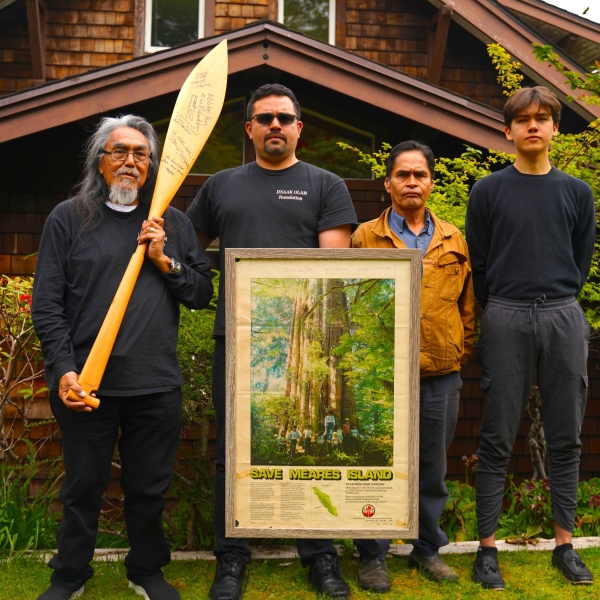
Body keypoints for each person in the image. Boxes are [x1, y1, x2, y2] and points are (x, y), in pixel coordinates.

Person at [186, 83, 384, 599]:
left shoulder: (325, 185)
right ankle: (231, 558)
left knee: (312, 448)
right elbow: (188, 248)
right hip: (236, 337)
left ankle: (320, 557)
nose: (275, 125)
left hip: (304, 341)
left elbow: (328, 273)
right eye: (264, 118)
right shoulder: (221, 186)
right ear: (249, 128)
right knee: (234, 452)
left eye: (284, 118)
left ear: (300, 128)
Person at [31, 115, 214, 600]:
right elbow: (46, 303)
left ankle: (146, 572)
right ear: (100, 160)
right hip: (86, 384)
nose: (130, 161)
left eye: (140, 154)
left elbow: (200, 293)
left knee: (148, 490)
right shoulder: (69, 218)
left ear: (152, 165)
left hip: (154, 383)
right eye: (120, 152)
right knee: (82, 489)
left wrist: (164, 260)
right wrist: (64, 370)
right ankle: (69, 576)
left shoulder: (173, 223)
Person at [466, 86, 596, 589]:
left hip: (564, 315)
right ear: (508, 130)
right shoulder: (488, 191)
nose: (533, 126)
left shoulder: (576, 192)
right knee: (497, 435)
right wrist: (504, 306)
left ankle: (565, 547)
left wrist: (558, 300)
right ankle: (486, 550)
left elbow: (579, 260)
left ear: (555, 128)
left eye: (543, 118)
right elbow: (480, 261)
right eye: (523, 120)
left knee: (567, 436)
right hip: (506, 315)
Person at [352, 140, 475, 591]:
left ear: (431, 182)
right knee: (378, 463)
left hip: (440, 375)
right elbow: (351, 301)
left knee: (431, 466)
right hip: (380, 374)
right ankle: (373, 555)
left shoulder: (453, 238)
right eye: (402, 175)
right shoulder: (365, 236)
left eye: (419, 175)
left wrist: (457, 350)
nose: (411, 182)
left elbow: (467, 305)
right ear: (388, 184)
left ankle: (427, 550)